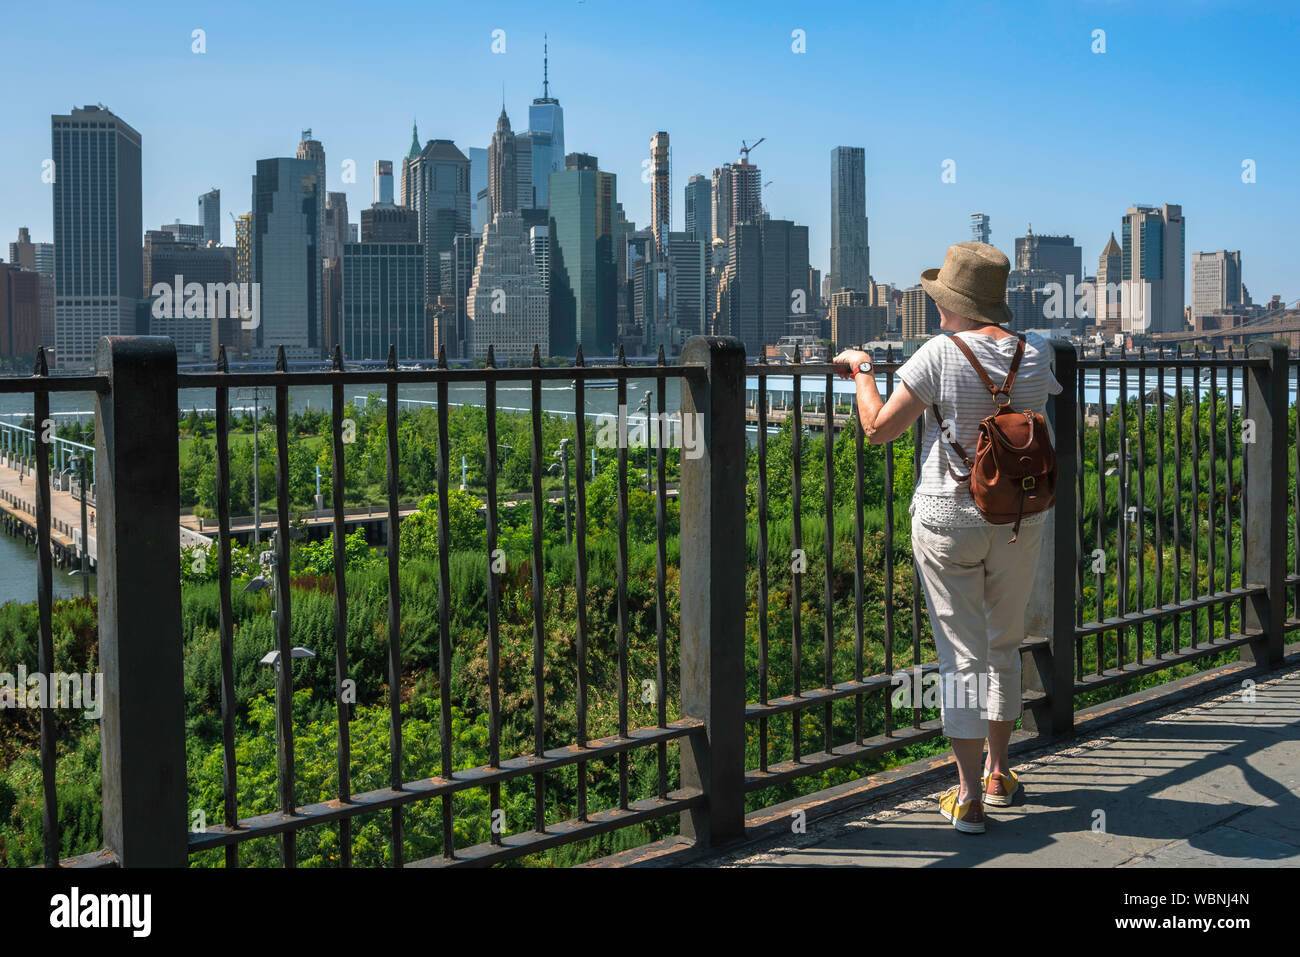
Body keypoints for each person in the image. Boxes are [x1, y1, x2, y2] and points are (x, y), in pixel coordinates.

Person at [834, 241, 1061, 835]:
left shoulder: (938, 353)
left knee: (962, 660)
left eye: (941, 298)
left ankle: (965, 798)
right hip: (1019, 517)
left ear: (956, 302)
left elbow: (877, 427)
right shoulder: (1035, 351)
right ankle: (998, 773)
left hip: (948, 519)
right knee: (1004, 645)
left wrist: (862, 372)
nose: (935, 308)